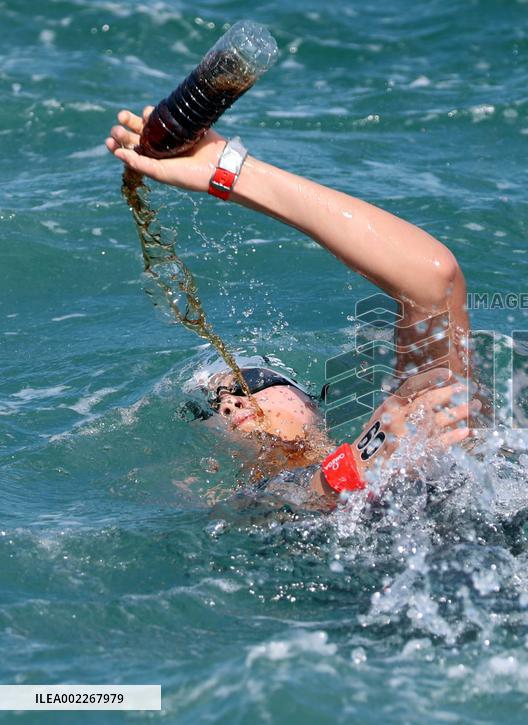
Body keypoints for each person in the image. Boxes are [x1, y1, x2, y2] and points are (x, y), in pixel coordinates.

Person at [105, 107, 477, 508]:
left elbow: (435, 280)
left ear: (311, 401)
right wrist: (372, 450)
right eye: (212, 408)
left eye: (249, 382)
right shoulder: (251, 505)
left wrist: (231, 171)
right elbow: (302, 498)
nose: (231, 403)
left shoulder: (416, 428)